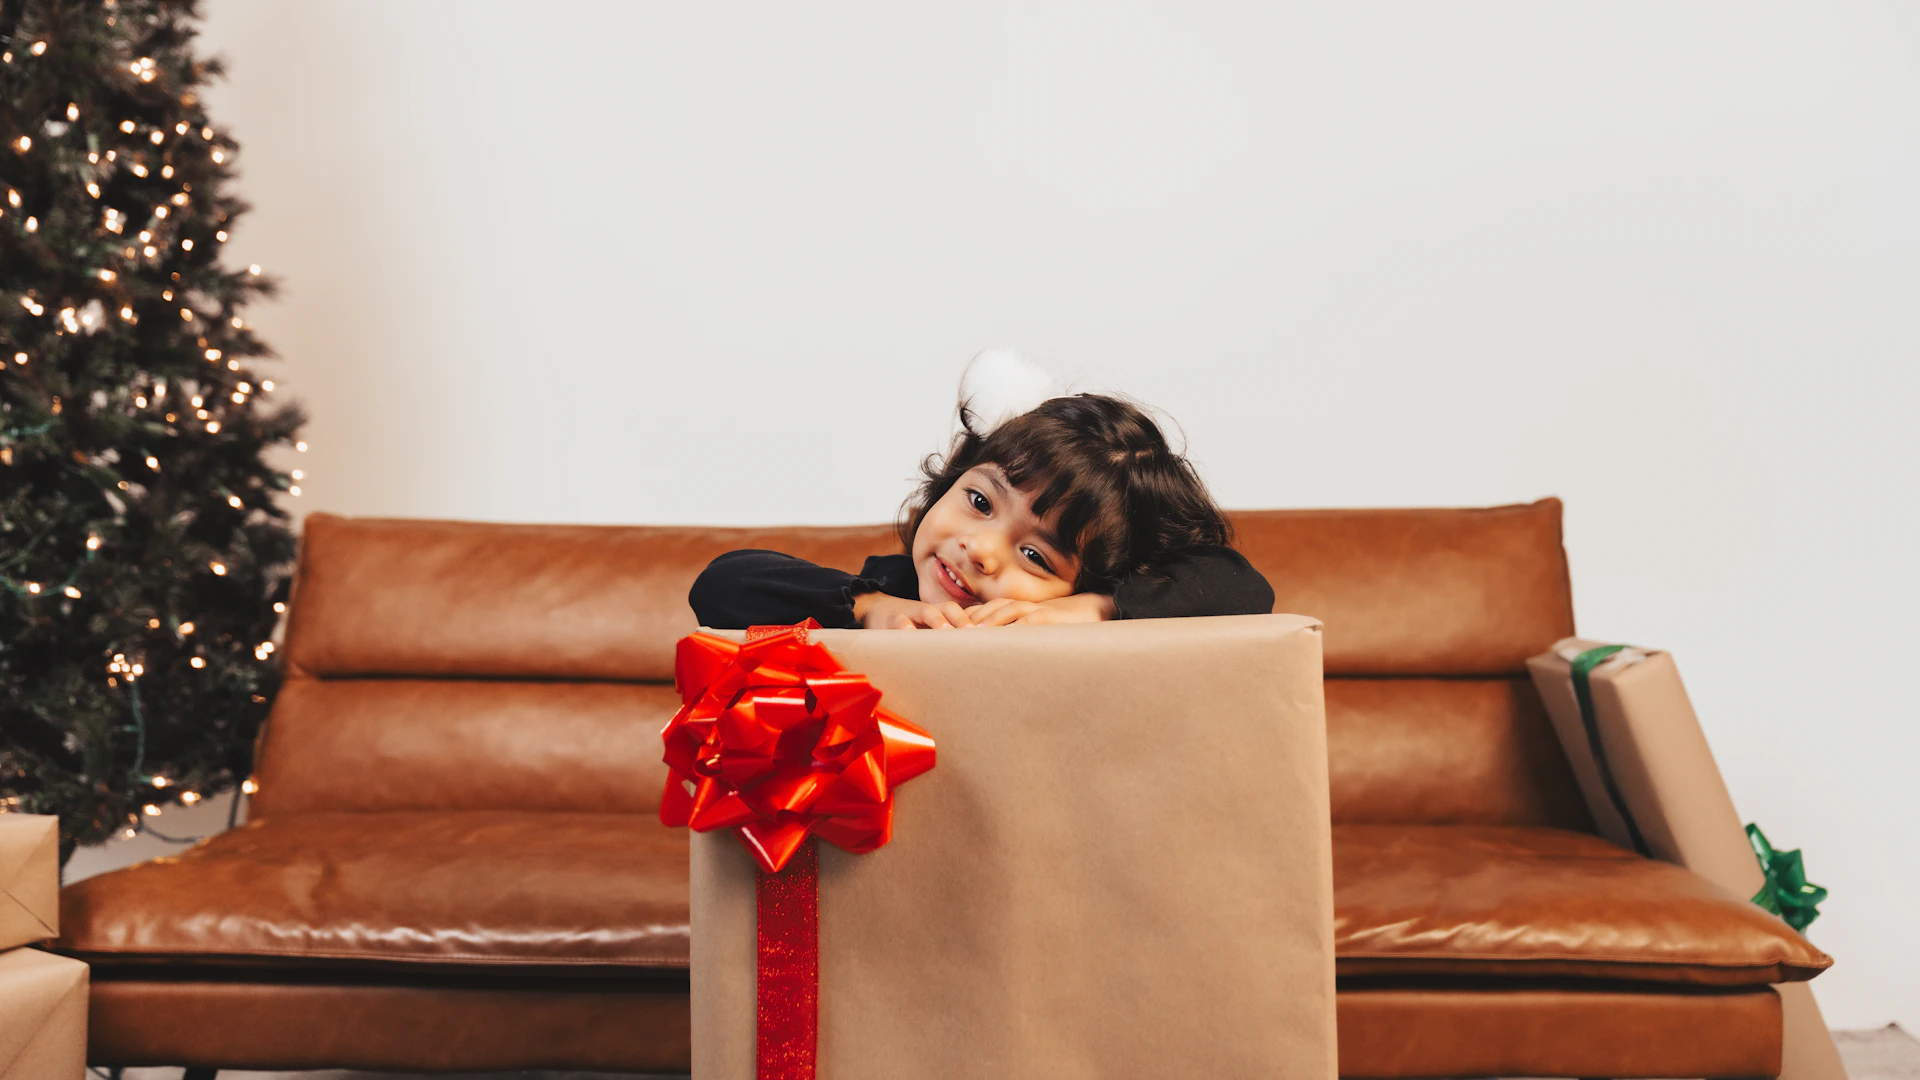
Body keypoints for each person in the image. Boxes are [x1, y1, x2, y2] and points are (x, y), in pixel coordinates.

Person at [688, 351, 1273, 629]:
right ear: (950, 482)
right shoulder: (893, 591)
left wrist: (1092, 611)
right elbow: (722, 584)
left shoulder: (1076, 621)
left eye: (1035, 556)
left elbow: (1244, 585)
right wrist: (871, 611)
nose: (981, 550)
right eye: (979, 502)